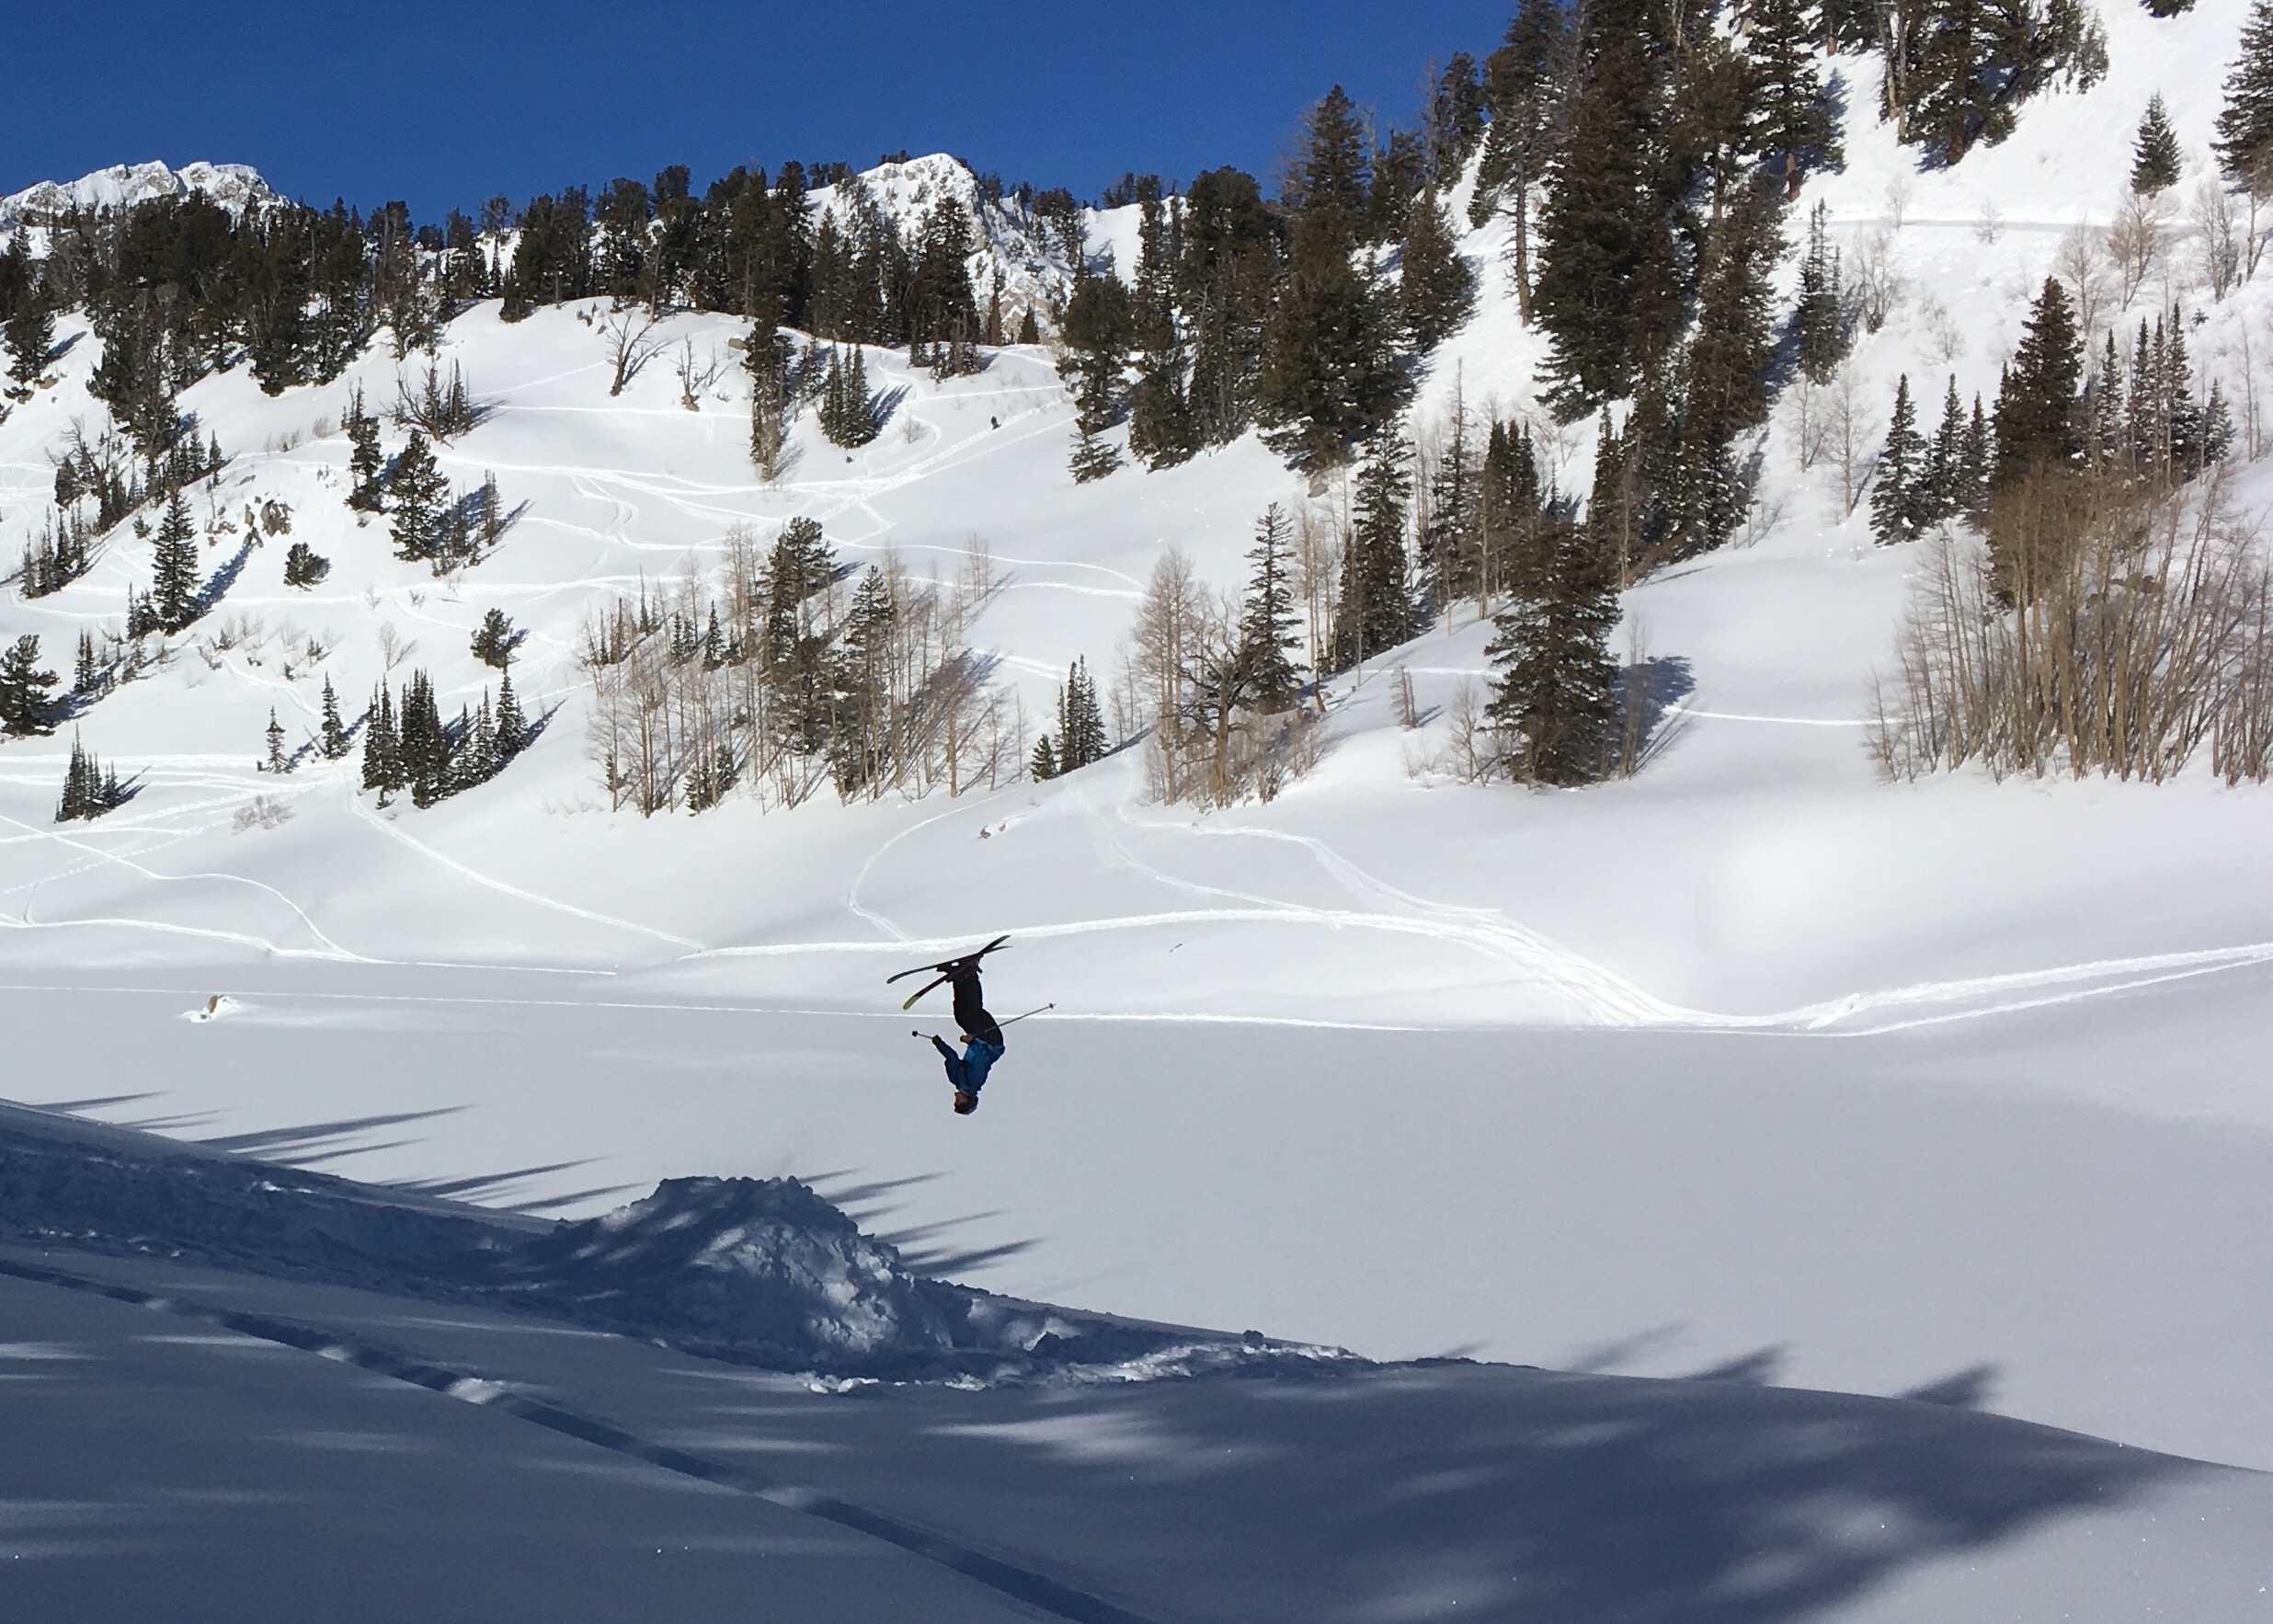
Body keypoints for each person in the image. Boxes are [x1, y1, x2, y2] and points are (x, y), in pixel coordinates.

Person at [930, 960, 1005, 1115]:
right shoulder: (975, 1081)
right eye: (959, 1102)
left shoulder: (955, 1079)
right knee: (972, 1013)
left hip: (981, 1041)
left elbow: (952, 1058)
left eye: (956, 1102)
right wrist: (973, 1041)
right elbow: (982, 1058)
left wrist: (940, 1045)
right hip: (992, 1041)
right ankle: (970, 974)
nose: (956, 1099)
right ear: (968, 1099)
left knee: (961, 1015)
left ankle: (959, 978)